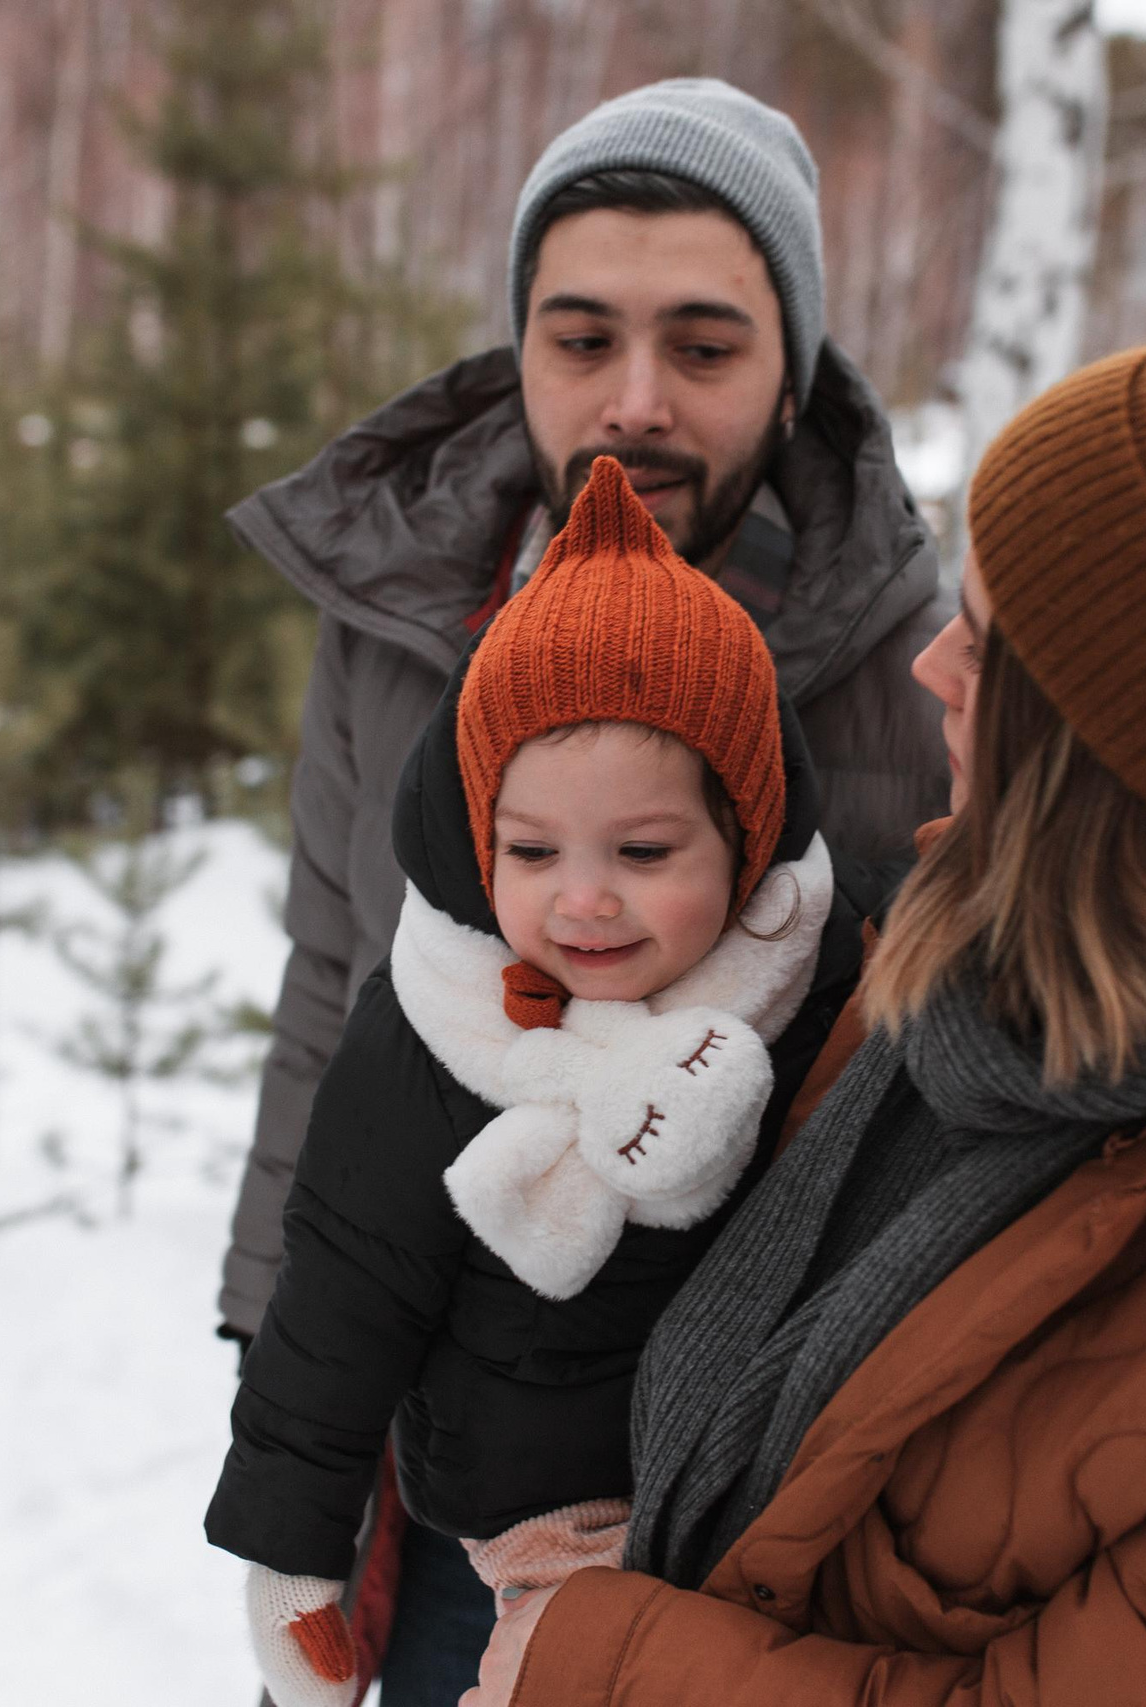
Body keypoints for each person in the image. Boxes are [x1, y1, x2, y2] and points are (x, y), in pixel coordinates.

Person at [459, 280, 1146, 1706]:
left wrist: (610, 1664)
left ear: (1111, 766)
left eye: (987, 645)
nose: (934, 659)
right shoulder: (985, 963)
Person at [216, 77, 948, 1695]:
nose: (634, 401)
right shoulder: (400, 619)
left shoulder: (913, 659)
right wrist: (285, 1363)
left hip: (769, 1509)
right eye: (580, 338)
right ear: (521, 345)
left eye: (702, 345)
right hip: (439, 1463)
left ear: (793, 360)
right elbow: (332, 977)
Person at [207, 459, 881, 1707]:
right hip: (527, 1531)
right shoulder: (434, 1028)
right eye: (529, 851)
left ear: (743, 835)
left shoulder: (818, 984)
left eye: (642, 851)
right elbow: (340, 1298)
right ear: (476, 839)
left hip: (770, 1517)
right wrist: (291, 1554)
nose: (581, 900)